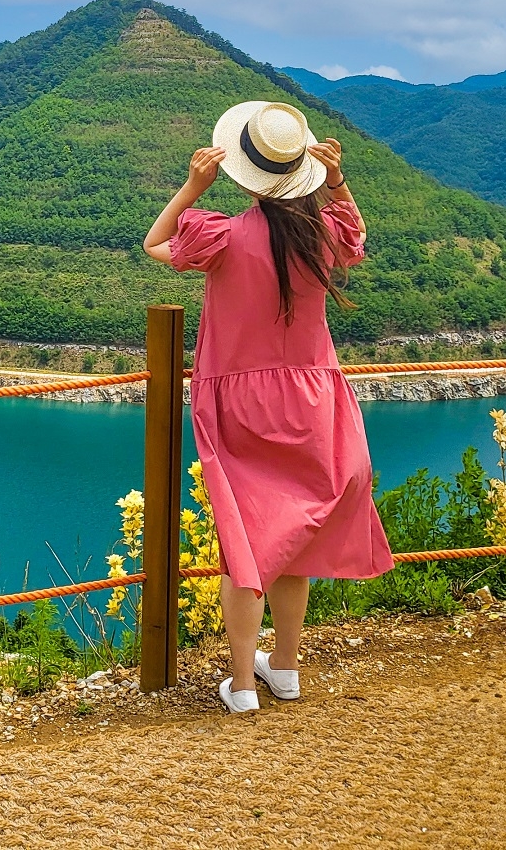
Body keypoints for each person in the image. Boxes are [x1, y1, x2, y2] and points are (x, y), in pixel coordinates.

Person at [144, 100, 393, 713]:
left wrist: (193, 184)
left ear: (246, 172)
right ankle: (284, 668)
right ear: (301, 169)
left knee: (248, 544)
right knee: (294, 539)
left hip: (242, 405)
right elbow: (355, 235)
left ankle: (244, 686)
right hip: (313, 401)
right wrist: (337, 181)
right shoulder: (326, 236)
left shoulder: (222, 236)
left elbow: (155, 241)